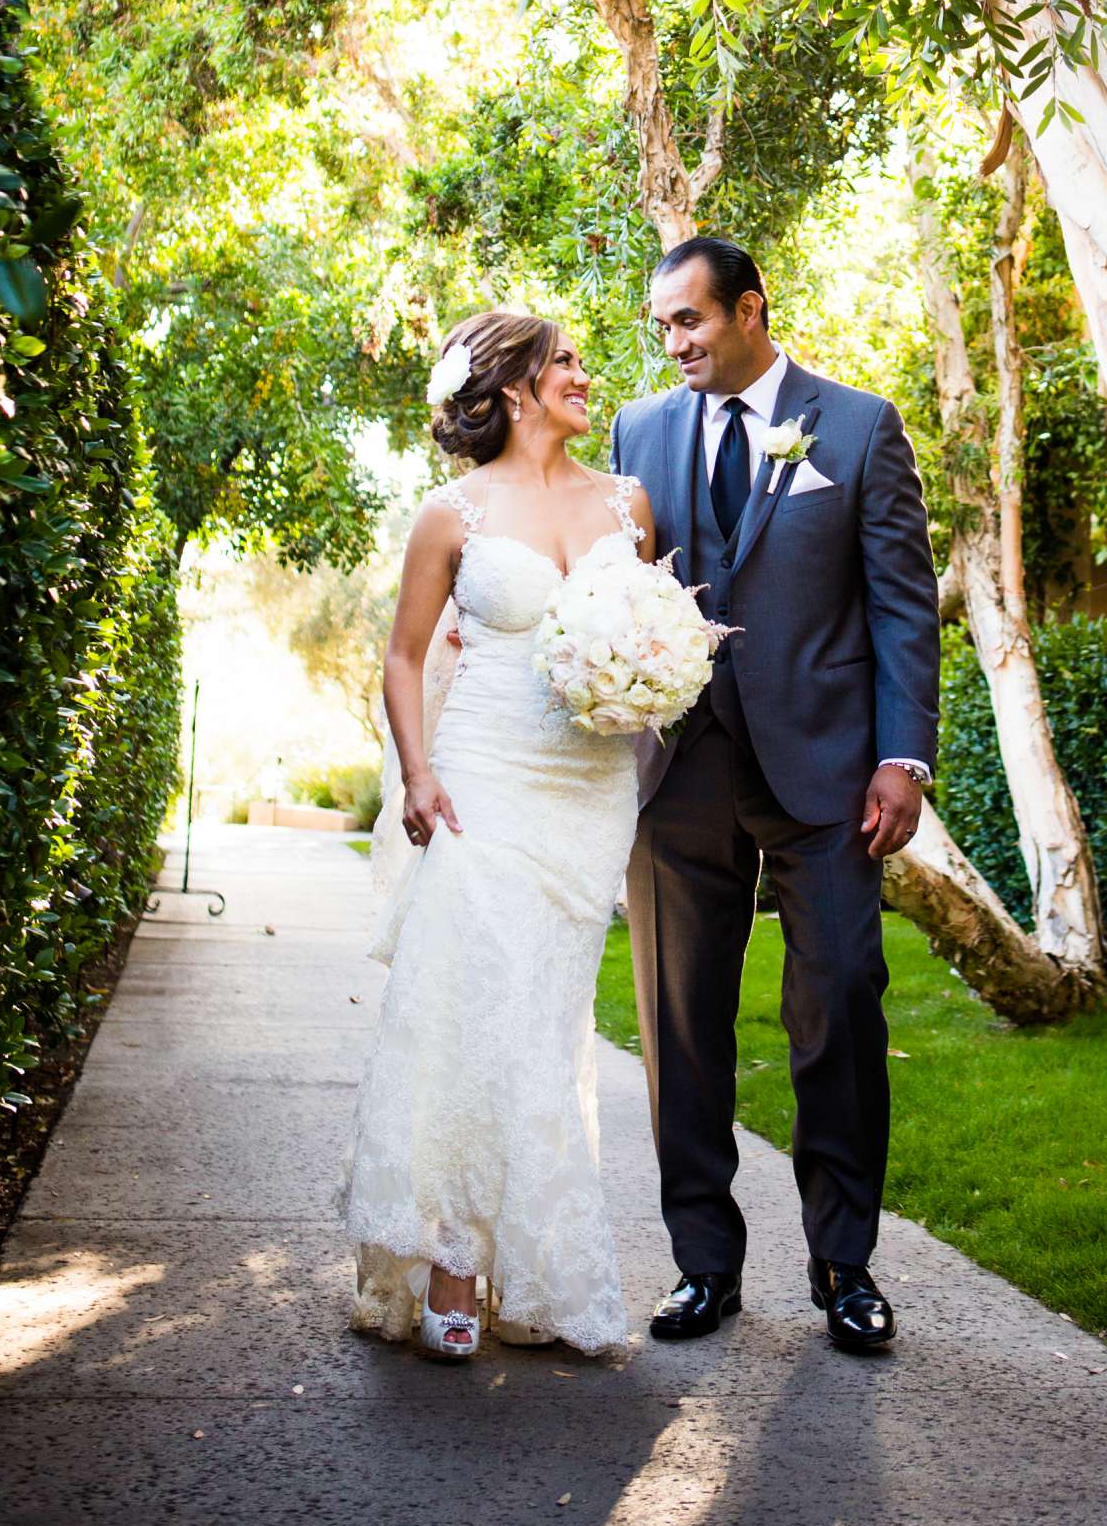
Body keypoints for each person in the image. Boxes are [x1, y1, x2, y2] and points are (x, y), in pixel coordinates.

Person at [609, 237, 940, 1355]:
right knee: (680, 1023)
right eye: (662, 327)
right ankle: (703, 1264)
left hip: (825, 769)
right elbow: (615, 586)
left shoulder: (855, 426)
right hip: (681, 768)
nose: (674, 344)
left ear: (749, 310)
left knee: (840, 1002)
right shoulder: (637, 432)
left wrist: (904, 756)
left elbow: (900, 604)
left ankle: (845, 1266)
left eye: (690, 321)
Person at [335, 309, 657, 1361]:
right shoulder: (453, 514)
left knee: (545, 1023)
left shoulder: (627, 505)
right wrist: (419, 775)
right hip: (481, 779)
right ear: (514, 386)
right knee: (474, 1012)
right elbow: (403, 655)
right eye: (564, 360)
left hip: (587, 790)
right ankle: (449, 1262)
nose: (582, 374)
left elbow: (647, 629)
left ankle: (530, 1257)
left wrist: (651, 675)